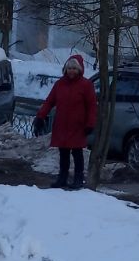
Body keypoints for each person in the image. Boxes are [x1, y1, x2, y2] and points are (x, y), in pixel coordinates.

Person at [33, 53, 97, 189]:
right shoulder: (59, 85)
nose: (71, 71)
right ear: (65, 69)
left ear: (79, 70)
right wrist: (40, 117)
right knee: (63, 153)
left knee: (77, 153)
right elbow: (49, 102)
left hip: (78, 126)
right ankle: (62, 178)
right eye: (69, 68)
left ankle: (78, 178)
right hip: (62, 125)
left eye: (74, 68)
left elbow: (92, 106)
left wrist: (90, 124)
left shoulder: (86, 85)